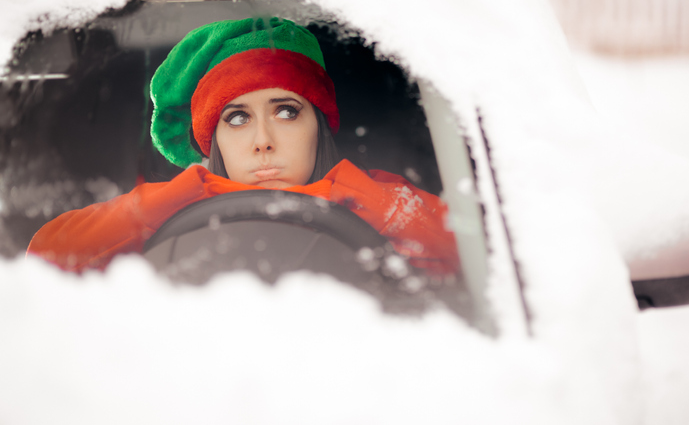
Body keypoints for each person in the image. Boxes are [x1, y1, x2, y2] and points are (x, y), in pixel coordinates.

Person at [26, 17, 459, 274]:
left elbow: (478, 264)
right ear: (211, 141)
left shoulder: (378, 196)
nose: (263, 142)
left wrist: (345, 191)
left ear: (319, 124)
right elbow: (44, 258)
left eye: (287, 112)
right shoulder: (169, 205)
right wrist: (189, 193)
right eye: (237, 119)